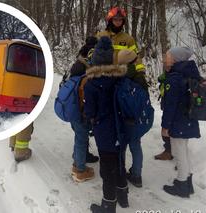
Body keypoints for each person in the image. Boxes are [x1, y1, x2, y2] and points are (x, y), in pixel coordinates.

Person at [84, 37, 129, 213]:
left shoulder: (92, 84)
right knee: (120, 163)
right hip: (121, 128)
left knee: (107, 168)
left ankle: (108, 204)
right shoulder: (120, 79)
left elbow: (90, 112)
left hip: (104, 131)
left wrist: (92, 120)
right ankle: (123, 197)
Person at [161, 47, 200, 198]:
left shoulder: (175, 77)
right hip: (188, 119)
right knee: (183, 150)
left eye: (168, 55)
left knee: (179, 153)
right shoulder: (189, 72)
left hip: (178, 121)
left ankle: (182, 184)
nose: (165, 58)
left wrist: (165, 126)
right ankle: (187, 181)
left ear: (176, 59)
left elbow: (171, 105)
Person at [116, 49, 148, 188]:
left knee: (121, 147)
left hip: (122, 118)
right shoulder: (139, 77)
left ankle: (121, 172)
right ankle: (136, 175)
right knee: (136, 146)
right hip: (136, 119)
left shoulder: (117, 76)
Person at [70, 36, 99, 182]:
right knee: (81, 138)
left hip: (73, 107)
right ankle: (80, 170)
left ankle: (78, 159)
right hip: (81, 109)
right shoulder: (88, 67)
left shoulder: (78, 63)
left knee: (79, 137)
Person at [96, 6, 145, 72]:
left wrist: (140, 71)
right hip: (103, 74)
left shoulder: (128, 39)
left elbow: (136, 57)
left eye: (120, 20)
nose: (118, 22)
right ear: (110, 20)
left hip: (122, 75)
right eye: (115, 19)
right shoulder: (101, 36)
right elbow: (93, 54)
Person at [154, 71, 174, 160]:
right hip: (167, 104)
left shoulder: (175, 75)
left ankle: (171, 153)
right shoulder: (168, 74)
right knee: (168, 130)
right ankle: (170, 151)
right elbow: (160, 78)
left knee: (167, 130)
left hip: (172, 106)